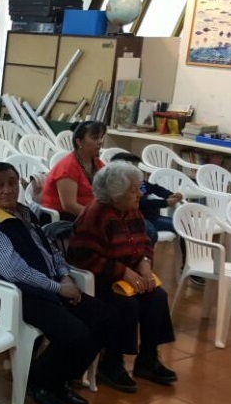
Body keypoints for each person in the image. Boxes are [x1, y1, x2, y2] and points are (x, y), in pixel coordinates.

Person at [0, 162, 124, 404]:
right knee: (76, 333)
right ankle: (39, 381)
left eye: (12, 183)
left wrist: (64, 276)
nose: (8, 190)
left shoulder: (23, 212)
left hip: (51, 286)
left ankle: (59, 378)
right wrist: (58, 288)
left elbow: (49, 249)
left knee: (106, 318)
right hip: (19, 296)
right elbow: (15, 270)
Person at [68, 161, 178, 389]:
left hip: (128, 277)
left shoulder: (131, 211)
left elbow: (144, 244)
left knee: (157, 297)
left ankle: (147, 358)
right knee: (127, 306)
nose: (139, 194)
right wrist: (122, 272)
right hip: (99, 281)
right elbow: (82, 257)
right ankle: (111, 362)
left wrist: (145, 264)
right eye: (133, 190)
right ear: (115, 194)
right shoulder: (96, 214)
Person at [111, 152, 182, 245]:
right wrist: (165, 203)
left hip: (154, 216)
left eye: (137, 167)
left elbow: (155, 188)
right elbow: (142, 203)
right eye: (133, 168)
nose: (137, 171)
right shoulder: (123, 188)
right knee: (179, 226)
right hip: (143, 218)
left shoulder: (140, 182)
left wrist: (171, 195)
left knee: (182, 224)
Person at [40, 120, 106, 220]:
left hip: (88, 212)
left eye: (101, 137)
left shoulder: (97, 163)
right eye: (95, 138)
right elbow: (69, 206)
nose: (100, 142)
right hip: (64, 217)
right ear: (79, 142)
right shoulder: (68, 167)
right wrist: (97, 217)